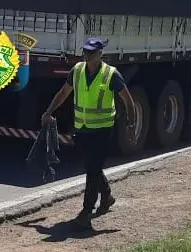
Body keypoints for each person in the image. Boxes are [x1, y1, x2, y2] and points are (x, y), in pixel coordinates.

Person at [40, 37, 135, 229]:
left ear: (100, 54)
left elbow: (128, 101)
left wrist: (130, 126)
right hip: (82, 128)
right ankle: (106, 196)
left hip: (102, 130)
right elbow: (63, 93)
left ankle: (86, 212)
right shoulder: (77, 71)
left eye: (91, 52)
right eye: (85, 51)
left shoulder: (111, 74)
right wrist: (48, 112)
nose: (87, 55)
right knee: (92, 167)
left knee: (92, 170)